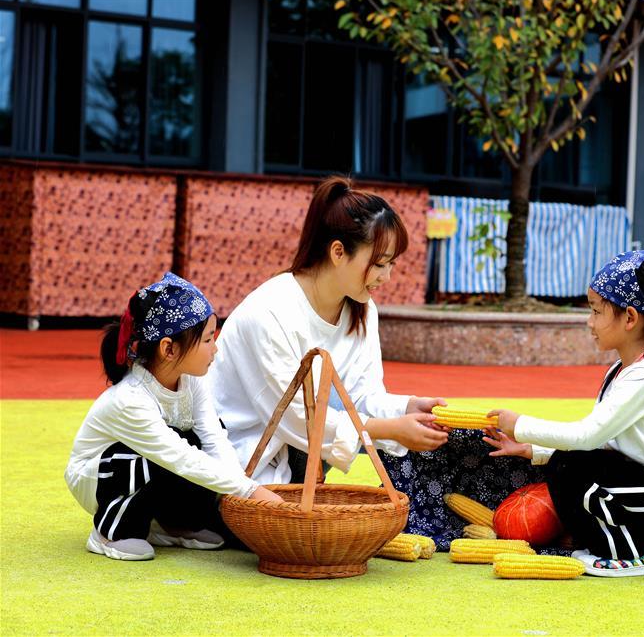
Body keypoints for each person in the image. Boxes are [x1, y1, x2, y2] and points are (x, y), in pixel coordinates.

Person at [484, 248, 644, 577]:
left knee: (573, 466)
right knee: (568, 462)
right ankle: (627, 540)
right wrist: (535, 450)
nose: (589, 322)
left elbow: (588, 435)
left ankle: (632, 553)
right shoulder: (622, 369)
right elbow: (602, 441)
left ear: (630, 318)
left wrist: (520, 425)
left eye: (596, 312)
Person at [209, 176, 449, 487]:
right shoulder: (269, 312)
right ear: (338, 252)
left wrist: (406, 407)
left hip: (297, 460)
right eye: (379, 264)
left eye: (391, 265)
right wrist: (391, 428)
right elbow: (294, 418)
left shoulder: (361, 309)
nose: (387, 277)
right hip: (236, 462)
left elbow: (362, 396)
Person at [64, 273, 282, 562]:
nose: (215, 349)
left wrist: (240, 490)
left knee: (199, 442)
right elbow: (178, 457)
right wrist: (251, 491)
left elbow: (213, 438)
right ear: (169, 348)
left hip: (155, 462)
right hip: (98, 479)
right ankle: (110, 531)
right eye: (207, 340)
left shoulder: (193, 380)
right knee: (146, 455)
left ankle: (177, 524)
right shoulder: (130, 400)